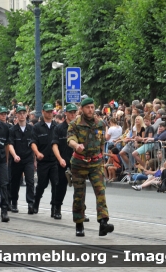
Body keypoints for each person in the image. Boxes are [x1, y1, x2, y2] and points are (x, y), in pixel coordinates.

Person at [67, 97, 114, 237]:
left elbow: (101, 142)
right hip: (79, 163)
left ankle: (103, 223)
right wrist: (77, 146)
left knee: (101, 191)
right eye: (88, 107)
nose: (91, 110)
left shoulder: (100, 123)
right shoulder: (75, 123)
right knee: (79, 195)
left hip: (95, 163)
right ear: (82, 109)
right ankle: (79, 224)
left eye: (92, 107)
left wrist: (101, 158)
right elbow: (70, 139)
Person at [52, 103, 79, 220]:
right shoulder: (59, 128)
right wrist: (59, 159)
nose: (73, 114)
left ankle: (79, 211)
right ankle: (57, 208)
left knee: (79, 188)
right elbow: (54, 145)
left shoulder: (80, 127)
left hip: (78, 161)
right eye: (70, 112)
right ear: (66, 113)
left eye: (74, 112)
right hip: (63, 160)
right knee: (61, 186)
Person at [31, 102, 58, 216]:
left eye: (51, 111)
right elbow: (32, 142)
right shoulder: (37, 127)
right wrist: (37, 153)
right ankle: (36, 203)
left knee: (56, 184)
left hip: (54, 161)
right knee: (42, 184)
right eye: (47, 111)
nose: (49, 113)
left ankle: (54, 208)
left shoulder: (56, 126)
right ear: (43, 112)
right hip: (43, 161)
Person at [8, 106, 35, 214]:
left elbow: (34, 144)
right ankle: (14, 202)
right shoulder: (12, 130)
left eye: (24, 113)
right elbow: (10, 144)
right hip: (16, 160)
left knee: (30, 181)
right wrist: (14, 156)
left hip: (28, 159)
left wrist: (35, 159)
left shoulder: (31, 129)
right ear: (16, 115)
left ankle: (30, 204)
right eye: (20, 113)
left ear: (26, 114)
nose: (22, 115)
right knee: (14, 182)